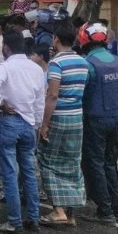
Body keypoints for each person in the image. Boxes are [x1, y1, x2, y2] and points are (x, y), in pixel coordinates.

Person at [0, 30, 45, 233]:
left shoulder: (7, 67)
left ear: (6, 47)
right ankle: (34, 218)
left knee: (10, 174)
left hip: (8, 124)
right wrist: (36, 125)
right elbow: (40, 102)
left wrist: (1, 102)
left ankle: (14, 221)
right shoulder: (36, 69)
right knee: (29, 173)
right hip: (29, 125)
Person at [37, 25, 87, 227]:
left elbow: (53, 95)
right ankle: (70, 213)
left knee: (48, 161)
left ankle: (58, 211)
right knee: (72, 161)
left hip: (59, 117)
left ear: (56, 39)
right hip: (77, 117)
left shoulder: (56, 63)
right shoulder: (83, 62)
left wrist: (44, 124)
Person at [77, 22, 118, 226]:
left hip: (94, 120)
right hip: (115, 119)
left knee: (95, 164)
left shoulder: (88, 64)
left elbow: (82, 93)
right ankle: (115, 207)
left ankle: (105, 211)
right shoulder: (116, 60)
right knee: (110, 162)